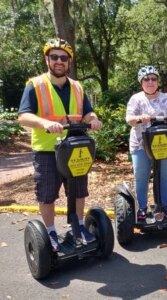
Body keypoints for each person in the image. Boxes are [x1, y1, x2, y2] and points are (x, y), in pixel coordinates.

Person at [18, 38, 103, 252]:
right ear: (47, 59)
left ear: (69, 62)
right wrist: (45, 122)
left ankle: (79, 227)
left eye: (63, 58)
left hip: (75, 147)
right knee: (47, 194)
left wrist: (93, 119)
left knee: (79, 191)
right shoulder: (35, 85)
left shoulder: (77, 86)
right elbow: (24, 116)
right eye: (54, 56)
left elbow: (87, 112)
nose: (59, 61)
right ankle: (50, 232)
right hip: (47, 150)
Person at [126, 65, 167, 221]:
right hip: (140, 144)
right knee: (141, 176)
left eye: (153, 79)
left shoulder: (166, 98)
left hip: (163, 144)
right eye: (146, 79)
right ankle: (142, 208)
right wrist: (139, 118)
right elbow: (129, 119)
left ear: (157, 81)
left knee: (164, 175)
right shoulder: (136, 99)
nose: (150, 82)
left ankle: (165, 206)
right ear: (141, 82)